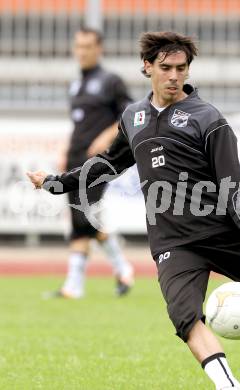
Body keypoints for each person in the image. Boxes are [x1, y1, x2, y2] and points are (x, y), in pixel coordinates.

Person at [28, 31, 240, 389]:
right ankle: (229, 386)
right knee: (185, 319)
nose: (174, 76)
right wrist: (57, 183)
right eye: (166, 68)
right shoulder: (133, 117)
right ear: (147, 67)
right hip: (173, 243)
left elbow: (234, 183)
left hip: (222, 232)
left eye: (182, 68)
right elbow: (108, 164)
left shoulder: (208, 118)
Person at [51, 26, 134, 298]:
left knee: (84, 215)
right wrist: (65, 147)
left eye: (87, 46)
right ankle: (82, 283)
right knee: (81, 220)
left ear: (99, 49)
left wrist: (105, 137)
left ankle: (117, 269)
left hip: (98, 162)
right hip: (74, 160)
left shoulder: (112, 82)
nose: (82, 52)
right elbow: (77, 124)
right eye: (78, 46)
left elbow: (129, 115)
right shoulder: (76, 85)